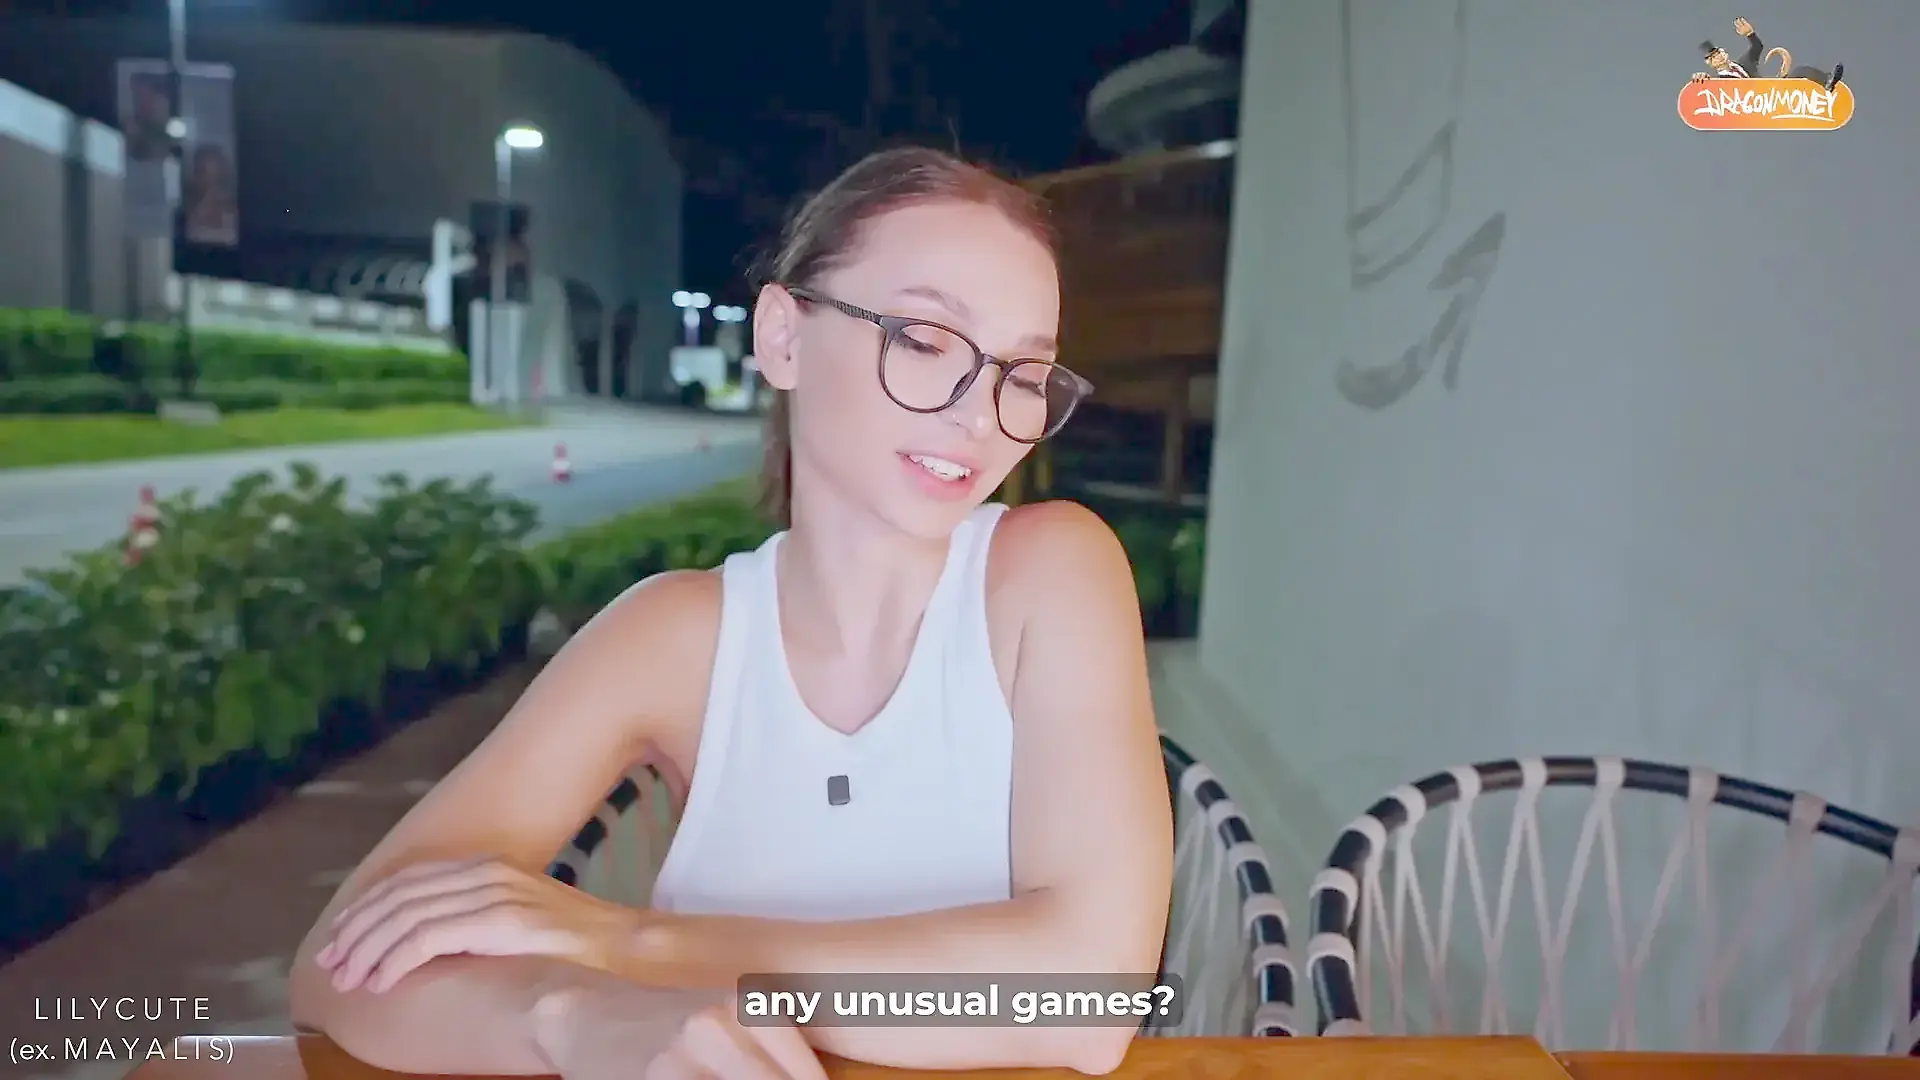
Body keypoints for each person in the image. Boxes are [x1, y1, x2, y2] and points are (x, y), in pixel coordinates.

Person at [289, 145, 1174, 1079]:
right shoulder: (675, 637)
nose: (981, 416)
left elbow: (1090, 999)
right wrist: (569, 1015)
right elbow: (339, 968)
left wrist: (633, 946)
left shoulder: (1049, 572)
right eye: (924, 340)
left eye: (1024, 375)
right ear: (783, 337)